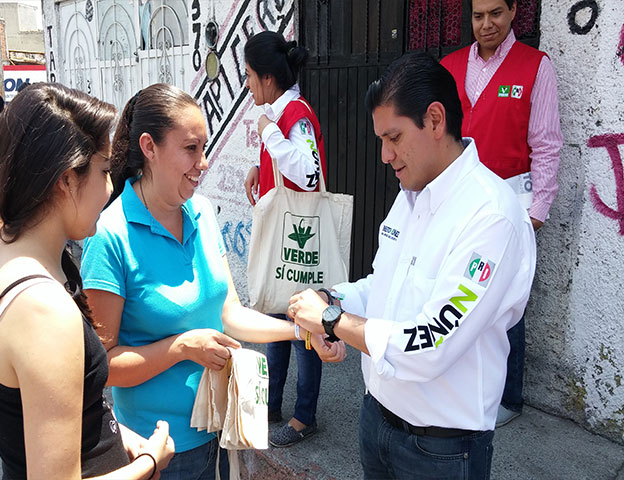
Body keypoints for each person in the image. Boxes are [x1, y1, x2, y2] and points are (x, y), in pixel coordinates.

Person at [287, 52, 537, 479]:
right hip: (376, 419)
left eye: (394, 137)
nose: (385, 155)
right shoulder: (411, 196)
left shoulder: (490, 216)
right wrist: (332, 298)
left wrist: (332, 321)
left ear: (435, 120)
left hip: (441, 449)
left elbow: (432, 343)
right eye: (381, 140)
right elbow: (381, 286)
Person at [80, 83, 343, 480]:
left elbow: (229, 313)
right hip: (156, 450)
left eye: (204, 148)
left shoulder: (201, 212)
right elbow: (103, 368)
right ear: (149, 147)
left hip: (219, 430)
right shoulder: (109, 236)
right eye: (191, 148)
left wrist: (303, 332)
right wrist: (181, 348)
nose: (203, 163)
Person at [0, 82, 175, 480]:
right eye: (103, 171)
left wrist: (119, 435)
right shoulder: (44, 311)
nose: (110, 188)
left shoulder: (4, 259)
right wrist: (150, 461)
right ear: (66, 179)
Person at [440, 0, 563, 427]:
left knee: (506, 302)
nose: (486, 24)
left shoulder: (534, 67)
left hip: (510, 206)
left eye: (495, 13)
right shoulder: (450, 67)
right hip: (456, 201)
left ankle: (508, 397)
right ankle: (458, 385)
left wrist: (537, 211)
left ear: (513, 11)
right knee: (455, 293)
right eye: (478, 16)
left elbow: (546, 143)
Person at [242, 30, 327, 448]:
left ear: (268, 78)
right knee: (277, 318)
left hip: (299, 239)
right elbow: (287, 165)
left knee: (304, 322)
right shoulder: (281, 112)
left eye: (249, 75)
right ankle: (273, 404)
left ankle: (304, 416)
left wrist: (268, 134)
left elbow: (309, 173)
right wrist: (259, 167)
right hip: (286, 235)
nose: (247, 85)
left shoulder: (294, 113)